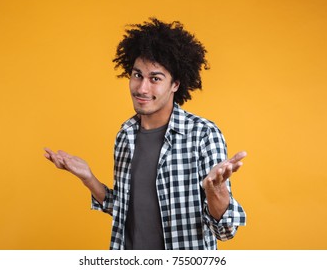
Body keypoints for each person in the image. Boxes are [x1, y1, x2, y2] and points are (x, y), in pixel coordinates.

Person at [44, 18, 247, 250]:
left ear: (175, 84)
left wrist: (216, 192)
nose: (142, 88)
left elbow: (226, 230)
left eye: (155, 79)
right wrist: (87, 177)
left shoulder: (203, 135)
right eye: (137, 75)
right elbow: (124, 212)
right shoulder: (125, 136)